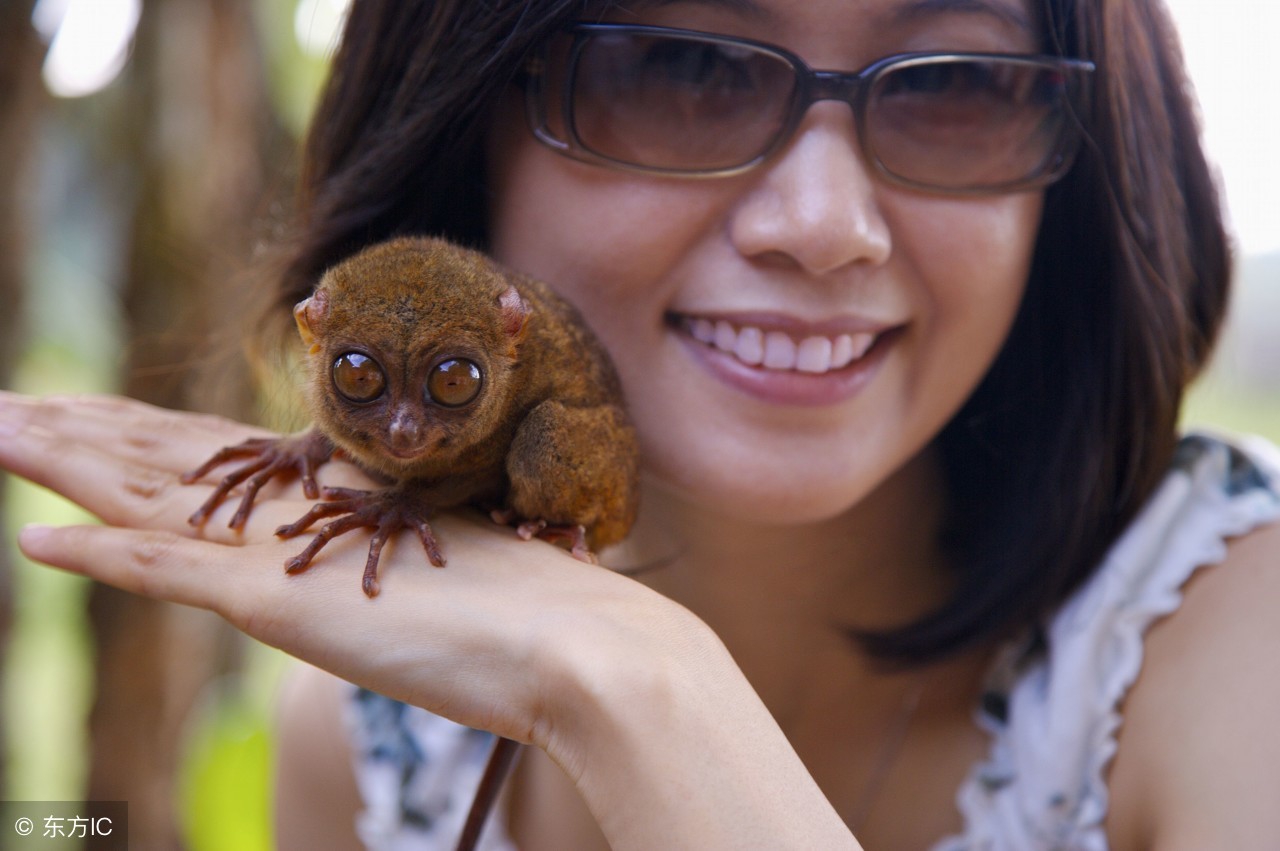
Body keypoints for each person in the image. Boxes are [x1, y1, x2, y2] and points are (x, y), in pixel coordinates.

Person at [2, 0, 1278, 848]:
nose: (821, 222)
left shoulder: (1233, 645)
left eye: (957, 84)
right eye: (682, 67)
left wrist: (649, 693)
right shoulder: (369, 742)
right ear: (461, 128)